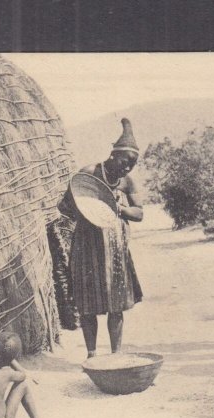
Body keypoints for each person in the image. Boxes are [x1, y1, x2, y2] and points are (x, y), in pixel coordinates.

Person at [58, 118, 144, 359]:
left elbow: (139, 213)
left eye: (133, 165)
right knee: (87, 304)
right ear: (114, 155)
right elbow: (64, 206)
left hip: (115, 247)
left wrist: (119, 210)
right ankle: (92, 354)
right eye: (126, 162)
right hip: (87, 245)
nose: (128, 169)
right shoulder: (88, 174)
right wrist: (89, 209)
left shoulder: (127, 182)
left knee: (116, 303)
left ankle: (116, 354)